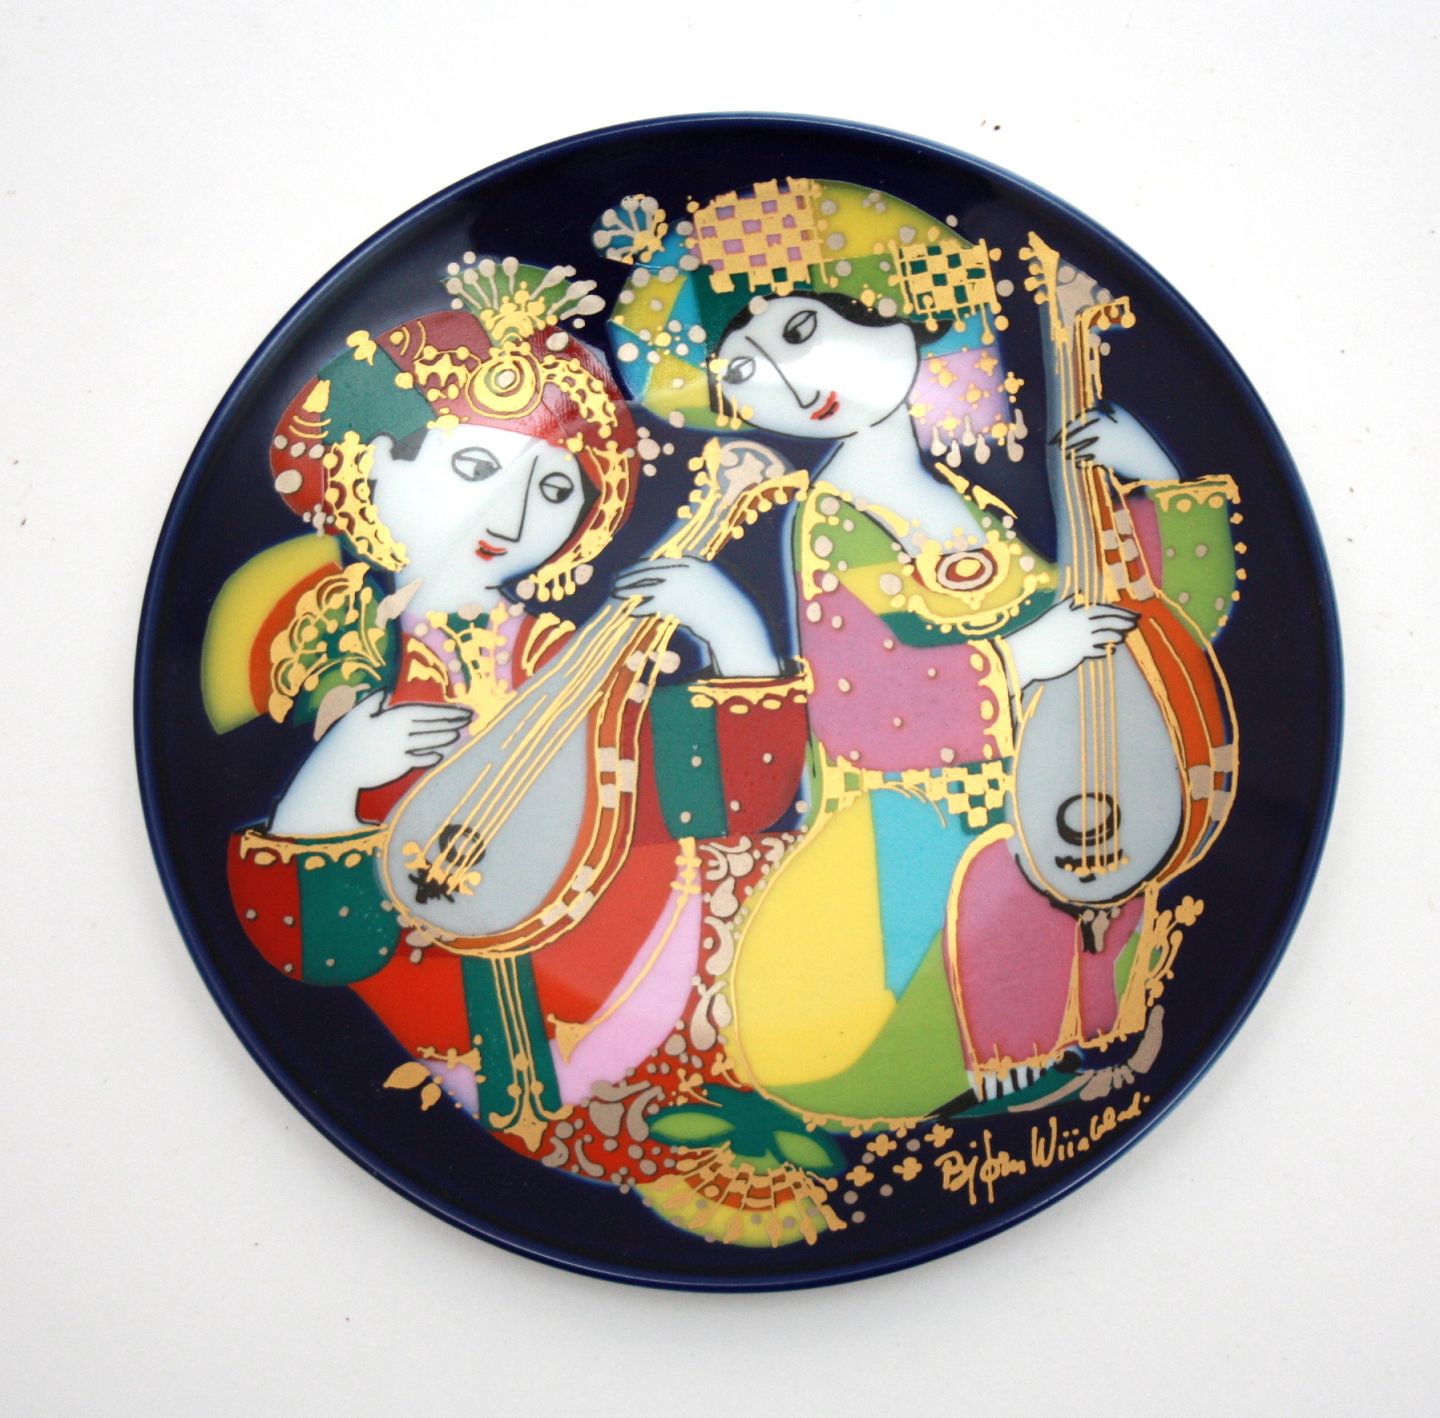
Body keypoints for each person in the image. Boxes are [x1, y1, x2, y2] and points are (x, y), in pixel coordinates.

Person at [201, 255, 840, 1241]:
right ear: (375, 463)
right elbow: (322, 946)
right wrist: (331, 782)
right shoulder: (334, 654)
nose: (508, 518)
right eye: (473, 470)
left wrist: (737, 638)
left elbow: (706, 789)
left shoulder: (552, 653)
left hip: (640, 929)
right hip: (470, 990)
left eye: (552, 490)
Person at [597, 179, 1243, 1131]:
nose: (788, 384)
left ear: (893, 308)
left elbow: (1134, 622)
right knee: (966, 939)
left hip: (1044, 792)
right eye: (742, 370)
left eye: (801, 331)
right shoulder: (833, 518)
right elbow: (863, 700)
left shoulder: (963, 499)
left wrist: (1151, 480)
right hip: (912, 824)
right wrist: (1023, 661)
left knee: (1085, 897)